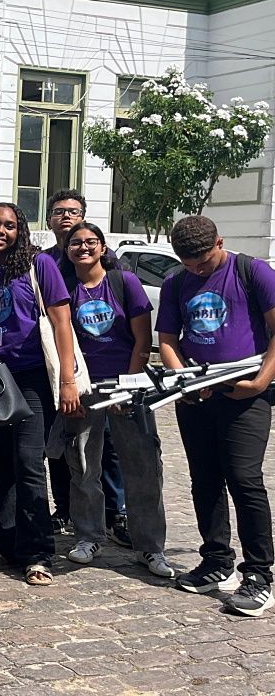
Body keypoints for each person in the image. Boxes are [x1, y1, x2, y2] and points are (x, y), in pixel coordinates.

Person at [158, 216, 275, 617]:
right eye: (188, 264)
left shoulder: (252, 271)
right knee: (204, 479)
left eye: (203, 262)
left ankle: (259, 574)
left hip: (245, 393)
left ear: (219, 243)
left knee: (244, 479)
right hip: (196, 394)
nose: (196, 270)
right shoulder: (175, 282)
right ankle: (216, 560)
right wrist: (182, 380)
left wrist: (261, 382)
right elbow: (168, 341)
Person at [0, 202, 80, 586]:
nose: (1, 230)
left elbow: (62, 321)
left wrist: (67, 379)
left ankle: (36, 550)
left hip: (31, 376)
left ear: (21, 231)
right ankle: (1, 539)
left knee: (29, 459)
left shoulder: (39, 265)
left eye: (10, 225)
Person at [55, 222, 172, 578]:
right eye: (76, 243)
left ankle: (150, 547)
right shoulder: (65, 288)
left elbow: (142, 341)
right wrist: (69, 384)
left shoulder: (125, 283)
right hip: (84, 387)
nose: (83, 248)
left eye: (91, 242)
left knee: (143, 465)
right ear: (68, 249)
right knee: (83, 465)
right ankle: (89, 536)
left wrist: (130, 384)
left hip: (127, 386)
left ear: (103, 248)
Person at [41, 189, 127, 542]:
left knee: (108, 444)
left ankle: (116, 512)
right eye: (59, 211)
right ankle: (65, 508)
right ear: (49, 219)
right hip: (63, 370)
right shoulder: (45, 263)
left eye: (73, 211)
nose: (66, 217)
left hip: (105, 369)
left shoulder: (106, 262)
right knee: (63, 441)